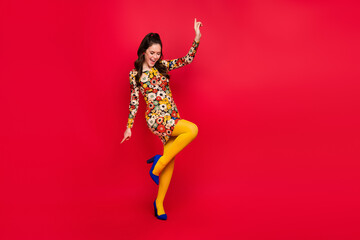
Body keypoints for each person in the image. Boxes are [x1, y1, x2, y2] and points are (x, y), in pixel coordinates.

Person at [121, 18, 203, 220]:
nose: (155, 57)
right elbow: (134, 102)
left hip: (172, 115)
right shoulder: (135, 75)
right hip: (156, 119)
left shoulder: (163, 66)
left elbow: (186, 60)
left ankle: (159, 203)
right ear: (143, 51)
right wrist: (129, 126)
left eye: (158, 53)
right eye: (152, 53)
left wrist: (197, 39)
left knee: (171, 159)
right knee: (192, 129)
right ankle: (157, 165)